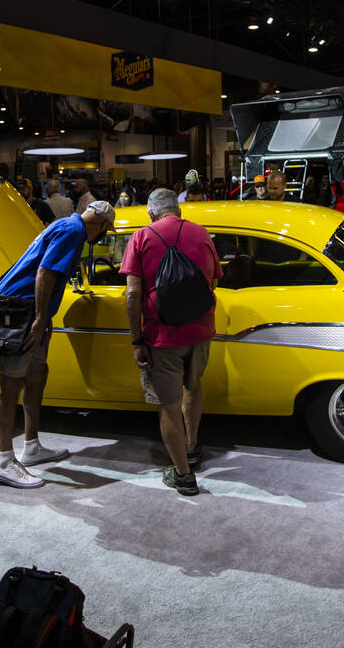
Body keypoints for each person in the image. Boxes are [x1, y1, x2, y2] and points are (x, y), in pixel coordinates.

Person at [0, 200, 116, 488]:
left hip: (27, 311)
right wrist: (41, 317)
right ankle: (4, 461)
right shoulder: (73, 231)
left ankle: (31, 446)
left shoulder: (65, 224)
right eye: (107, 231)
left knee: (35, 376)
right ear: (101, 224)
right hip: (19, 312)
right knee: (10, 385)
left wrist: (44, 319)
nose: (104, 237)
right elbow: (45, 272)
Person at [120, 189, 221, 496]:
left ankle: (183, 476)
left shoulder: (141, 237)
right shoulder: (201, 233)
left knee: (168, 405)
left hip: (163, 336)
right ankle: (192, 447)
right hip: (201, 331)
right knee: (193, 385)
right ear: (177, 210)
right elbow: (213, 280)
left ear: (151, 213)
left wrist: (137, 339)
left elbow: (133, 294)